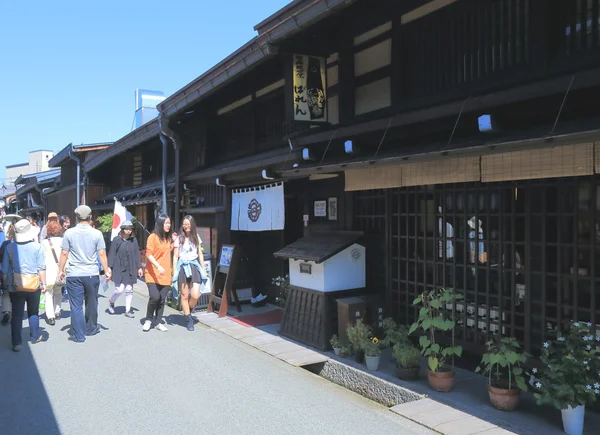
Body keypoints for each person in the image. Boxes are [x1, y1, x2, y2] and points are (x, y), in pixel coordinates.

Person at [58, 205, 111, 343]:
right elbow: (102, 253)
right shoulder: (97, 233)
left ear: (76, 217)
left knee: (76, 305)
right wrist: (106, 270)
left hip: (74, 273)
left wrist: (60, 270)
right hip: (92, 273)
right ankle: (91, 328)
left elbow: (64, 253)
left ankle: (78, 335)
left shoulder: (69, 233)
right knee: (92, 302)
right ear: (90, 217)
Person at [1, 219, 46, 352]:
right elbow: (41, 268)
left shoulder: (9, 247)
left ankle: (17, 343)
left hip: (15, 285)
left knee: (17, 314)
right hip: (33, 284)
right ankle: (34, 336)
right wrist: (43, 284)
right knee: (33, 312)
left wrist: (5, 284)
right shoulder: (37, 247)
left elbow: (4, 270)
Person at [172, 215, 207, 332]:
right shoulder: (179, 238)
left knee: (195, 295)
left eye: (188, 224)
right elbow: (175, 255)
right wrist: (174, 270)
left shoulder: (196, 237)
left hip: (194, 266)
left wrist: (203, 269)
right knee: (184, 295)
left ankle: (189, 308)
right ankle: (188, 319)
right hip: (182, 266)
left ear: (192, 225)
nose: (186, 226)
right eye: (184, 224)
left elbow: (200, 254)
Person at [143, 213, 173, 332]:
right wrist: (158, 266)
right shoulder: (153, 237)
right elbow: (148, 254)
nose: (168, 225)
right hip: (152, 273)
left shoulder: (168, 238)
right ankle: (148, 320)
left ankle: (158, 322)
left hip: (165, 274)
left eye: (169, 223)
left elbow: (168, 252)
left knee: (162, 299)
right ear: (160, 223)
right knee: (155, 297)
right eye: (166, 223)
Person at [107, 220, 142, 318]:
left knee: (129, 289)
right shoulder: (116, 240)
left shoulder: (133, 240)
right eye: (126, 229)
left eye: (130, 229)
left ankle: (128, 310)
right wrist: (109, 267)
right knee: (119, 289)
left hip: (130, 267)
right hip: (118, 267)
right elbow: (112, 254)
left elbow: (136, 254)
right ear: (122, 229)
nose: (128, 231)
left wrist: (139, 267)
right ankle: (111, 302)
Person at [40, 220, 65, 325]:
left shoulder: (45, 243)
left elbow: (41, 258)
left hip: (48, 271)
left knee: (48, 294)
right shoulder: (63, 241)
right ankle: (57, 311)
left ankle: (50, 316)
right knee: (58, 292)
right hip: (60, 270)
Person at [0, 222, 13, 325]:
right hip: (20, 274)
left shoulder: (5, 244)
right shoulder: (27, 243)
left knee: (6, 293)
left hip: (7, 272)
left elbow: (1, 258)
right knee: (17, 294)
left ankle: (6, 311)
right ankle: (15, 312)